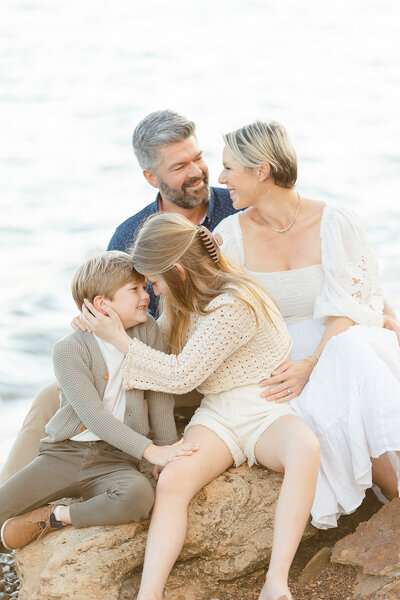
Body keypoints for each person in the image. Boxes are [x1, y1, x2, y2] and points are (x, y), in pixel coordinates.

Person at [80, 213, 321, 600]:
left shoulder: (235, 303)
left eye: (155, 281)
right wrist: (99, 325)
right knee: (174, 480)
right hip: (219, 413)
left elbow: (179, 377)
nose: (153, 291)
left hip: (264, 406)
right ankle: (150, 593)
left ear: (177, 271)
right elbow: (157, 347)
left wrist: (121, 342)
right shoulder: (183, 300)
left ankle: (276, 582)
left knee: (305, 448)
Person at [0, 109, 237, 485]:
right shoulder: (130, 235)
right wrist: (91, 325)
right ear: (150, 177)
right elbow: (112, 304)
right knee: (53, 394)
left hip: (210, 364)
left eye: (198, 157)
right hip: (155, 362)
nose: (196, 171)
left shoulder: (234, 210)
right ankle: (12, 502)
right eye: (179, 166)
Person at [214, 120, 400, 528]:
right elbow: (227, 318)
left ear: (261, 170)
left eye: (229, 167)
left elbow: (351, 307)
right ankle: (393, 499)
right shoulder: (231, 235)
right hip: (278, 358)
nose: (221, 178)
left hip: (341, 340)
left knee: (349, 359)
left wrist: (312, 364)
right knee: (323, 396)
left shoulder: (334, 221)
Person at [0, 250, 194, 553]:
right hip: (65, 455)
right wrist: (153, 451)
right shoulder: (69, 349)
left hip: (117, 459)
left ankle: (54, 516)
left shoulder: (147, 330)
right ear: (103, 304)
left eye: (144, 287)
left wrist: (167, 453)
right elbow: (93, 416)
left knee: (139, 497)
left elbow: (159, 396)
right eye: (135, 290)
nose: (145, 296)